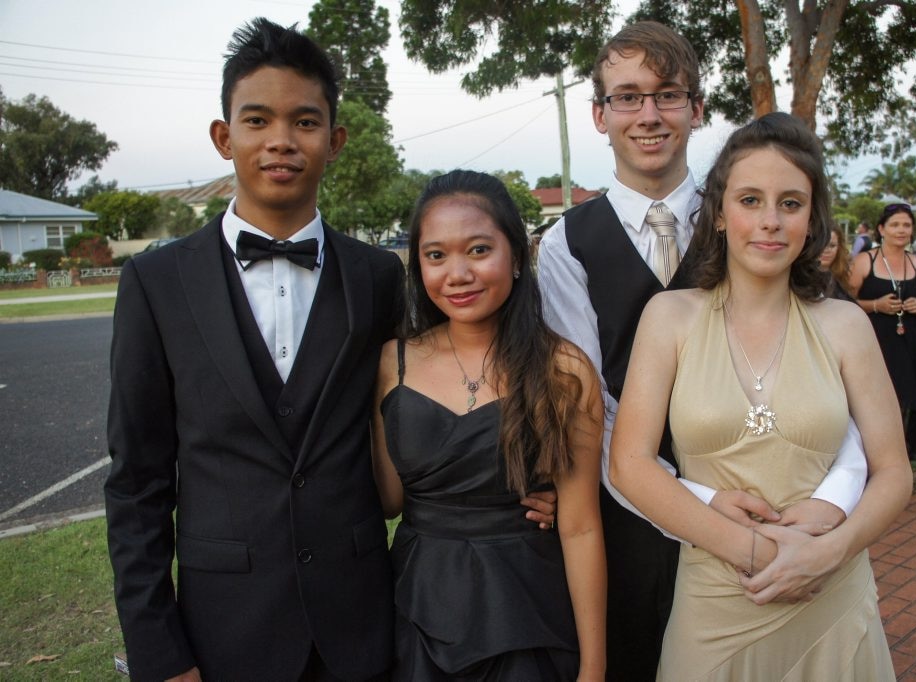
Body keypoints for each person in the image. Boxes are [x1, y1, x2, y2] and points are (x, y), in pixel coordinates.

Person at [103, 20, 556, 681]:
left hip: (363, 620)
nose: (281, 141)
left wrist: (520, 486)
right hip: (223, 627)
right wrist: (158, 651)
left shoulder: (376, 277)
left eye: (305, 121)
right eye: (257, 120)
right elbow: (136, 483)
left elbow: (445, 382)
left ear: (335, 139)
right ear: (224, 137)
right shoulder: (154, 282)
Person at [537, 21, 867, 681]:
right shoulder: (564, 245)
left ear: (697, 108)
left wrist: (827, 505)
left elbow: (829, 373)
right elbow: (590, 404)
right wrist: (689, 498)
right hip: (625, 521)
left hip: (776, 508)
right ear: (600, 116)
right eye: (627, 97)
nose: (649, 114)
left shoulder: (756, 222)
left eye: (667, 94)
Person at [610, 112, 911, 680]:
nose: (770, 222)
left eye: (790, 203)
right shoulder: (670, 317)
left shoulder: (845, 325)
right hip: (718, 598)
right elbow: (629, 465)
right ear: (720, 213)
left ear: (810, 219)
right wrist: (757, 555)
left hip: (831, 590)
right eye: (750, 200)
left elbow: (893, 471)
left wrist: (830, 552)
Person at [371, 170, 606, 680]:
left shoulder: (564, 370)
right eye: (436, 256)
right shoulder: (393, 363)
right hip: (417, 603)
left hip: (527, 606)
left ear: (517, 257)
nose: (456, 274)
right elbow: (388, 499)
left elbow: (582, 526)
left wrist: (593, 667)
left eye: (478, 250)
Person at [850, 204, 916, 461]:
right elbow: (844, 302)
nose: (901, 230)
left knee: (905, 402)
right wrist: (876, 305)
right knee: (871, 403)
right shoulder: (866, 260)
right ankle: (867, 459)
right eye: (895, 225)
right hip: (874, 341)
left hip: (909, 343)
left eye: (906, 225)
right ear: (881, 229)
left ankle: (898, 459)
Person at [821, 223, 855, 301]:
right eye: (821, 244)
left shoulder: (841, 274)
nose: (826, 250)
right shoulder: (800, 280)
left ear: (839, 248)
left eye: (832, 245)